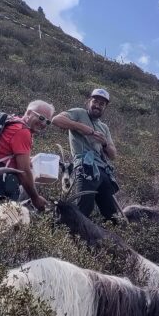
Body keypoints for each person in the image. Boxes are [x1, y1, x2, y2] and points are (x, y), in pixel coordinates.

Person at [51, 88, 120, 220]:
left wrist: (105, 143)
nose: (97, 106)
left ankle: (108, 239)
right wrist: (82, 128)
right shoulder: (79, 113)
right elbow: (56, 120)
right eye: (95, 101)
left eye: (102, 104)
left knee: (112, 215)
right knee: (83, 210)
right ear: (89, 101)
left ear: (105, 107)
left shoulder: (104, 127)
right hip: (85, 168)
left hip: (103, 172)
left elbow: (113, 155)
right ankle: (72, 238)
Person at [0, 99, 54, 211]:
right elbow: (23, 171)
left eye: (48, 122)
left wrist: (30, 160)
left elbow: (5, 152)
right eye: (41, 118)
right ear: (28, 113)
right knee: (1, 223)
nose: (43, 123)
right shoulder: (22, 132)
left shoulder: (15, 122)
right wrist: (35, 197)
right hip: (0, 185)